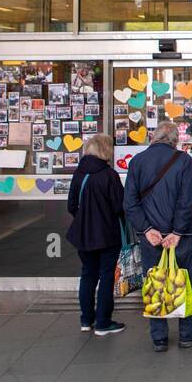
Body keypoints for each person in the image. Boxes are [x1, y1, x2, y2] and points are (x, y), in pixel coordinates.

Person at [124, 121, 192, 352]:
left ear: (153, 137)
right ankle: (187, 333)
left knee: (153, 280)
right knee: (186, 280)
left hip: (150, 236)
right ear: (175, 140)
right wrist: (177, 232)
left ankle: (159, 338)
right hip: (181, 235)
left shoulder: (137, 162)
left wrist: (146, 230)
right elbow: (186, 200)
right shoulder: (183, 161)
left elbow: (130, 203)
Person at [66, 133, 126, 336]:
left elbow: (71, 205)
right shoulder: (109, 175)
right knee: (106, 276)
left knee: (87, 275)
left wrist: (84, 219)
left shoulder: (79, 173)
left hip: (83, 234)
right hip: (107, 234)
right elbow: (119, 206)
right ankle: (103, 322)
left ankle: (86, 320)